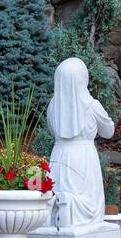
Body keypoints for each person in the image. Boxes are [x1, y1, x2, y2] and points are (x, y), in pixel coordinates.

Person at [42, 57, 114, 229]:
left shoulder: (53, 106)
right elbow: (108, 131)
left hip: (59, 154)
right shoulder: (91, 105)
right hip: (83, 156)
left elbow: (52, 131)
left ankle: (60, 213)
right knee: (85, 198)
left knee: (58, 190)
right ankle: (73, 211)